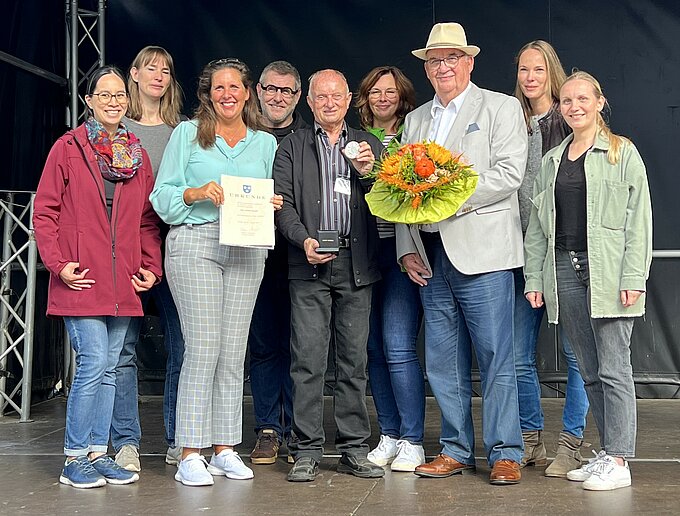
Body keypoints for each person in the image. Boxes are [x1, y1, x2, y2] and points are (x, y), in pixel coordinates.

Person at [396, 22, 527, 485]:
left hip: (484, 254)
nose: (444, 66)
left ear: (469, 62)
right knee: (441, 360)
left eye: (452, 57)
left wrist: (450, 194)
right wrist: (407, 248)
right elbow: (400, 192)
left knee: (495, 356)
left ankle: (505, 451)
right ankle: (454, 449)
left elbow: (510, 174)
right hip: (430, 256)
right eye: (435, 60)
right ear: (427, 68)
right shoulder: (415, 121)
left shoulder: (501, 107)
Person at [150, 58, 281, 487]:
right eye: (218, 88)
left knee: (232, 351)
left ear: (248, 93)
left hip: (246, 248)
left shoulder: (264, 143)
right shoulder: (188, 134)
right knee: (204, 348)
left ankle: (225, 448)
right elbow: (162, 194)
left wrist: (272, 205)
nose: (227, 94)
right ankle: (191, 451)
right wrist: (195, 192)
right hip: (196, 242)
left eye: (235, 87)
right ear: (208, 95)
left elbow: (266, 195)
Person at [33, 66, 162, 488]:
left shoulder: (136, 154)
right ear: (89, 101)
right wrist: (57, 263)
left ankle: (97, 453)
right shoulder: (67, 147)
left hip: (122, 281)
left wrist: (150, 268)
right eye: (104, 95)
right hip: (81, 277)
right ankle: (74, 458)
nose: (113, 102)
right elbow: (45, 210)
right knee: (93, 363)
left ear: (129, 101)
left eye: (120, 95)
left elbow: (145, 221)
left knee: (109, 369)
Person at [524, 71, 652, 491]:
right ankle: (606, 452)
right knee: (590, 369)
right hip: (565, 270)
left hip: (611, 272)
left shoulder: (622, 153)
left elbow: (640, 224)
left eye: (583, 99)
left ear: (600, 102)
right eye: (566, 101)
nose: (574, 106)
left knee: (615, 367)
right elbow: (539, 230)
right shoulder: (552, 161)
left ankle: (619, 459)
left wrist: (634, 276)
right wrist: (535, 277)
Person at [274, 69, 384, 482]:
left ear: (349, 98)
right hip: (308, 263)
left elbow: (387, 200)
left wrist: (369, 171)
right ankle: (306, 450)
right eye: (321, 97)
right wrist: (302, 240)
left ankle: (354, 448)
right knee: (307, 362)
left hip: (357, 265)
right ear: (310, 101)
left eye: (336, 96)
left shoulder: (368, 143)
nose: (329, 103)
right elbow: (281, 205)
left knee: (354, 361)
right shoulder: (291, 146)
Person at [513, 40, 590, 477]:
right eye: (523, 69)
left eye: (538, 69)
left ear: (551, 72)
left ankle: (571, 444)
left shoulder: (569, 120)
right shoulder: (511, 118)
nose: (530, 78)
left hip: (563, 253)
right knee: (519, 354)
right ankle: (530, 440)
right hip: (522, 251)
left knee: (577, 354)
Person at [111, 45, 186, 473]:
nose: (159, 75)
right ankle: (126, 444)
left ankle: (179, 440)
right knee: (121, 351)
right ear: (133, 75)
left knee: (184, 349)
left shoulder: (184, 131)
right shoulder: (111, 128)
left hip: (175, 250)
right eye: (151, 68)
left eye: (166, 69)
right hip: (124, 255)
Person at [355, 66, 425, 472]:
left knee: (398, 345)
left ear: (402, 96)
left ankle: (413, 438)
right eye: (375, 91)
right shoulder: (351, 139)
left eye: (391, 91)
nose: (383, 98)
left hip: (401, 252)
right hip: (363, 253)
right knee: (373, 349)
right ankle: (390, 433)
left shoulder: (414, 138)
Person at [248, 60, 309, 465]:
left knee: (301, 345)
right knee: (265, 344)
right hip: (253, 253)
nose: (278, 97)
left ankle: (301, 432)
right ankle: (269, 429)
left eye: (287, 91)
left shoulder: (308, 138)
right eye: (271, 89)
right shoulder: (242, 135)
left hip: (299, 255)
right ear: (258, 90)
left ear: (298, 97)